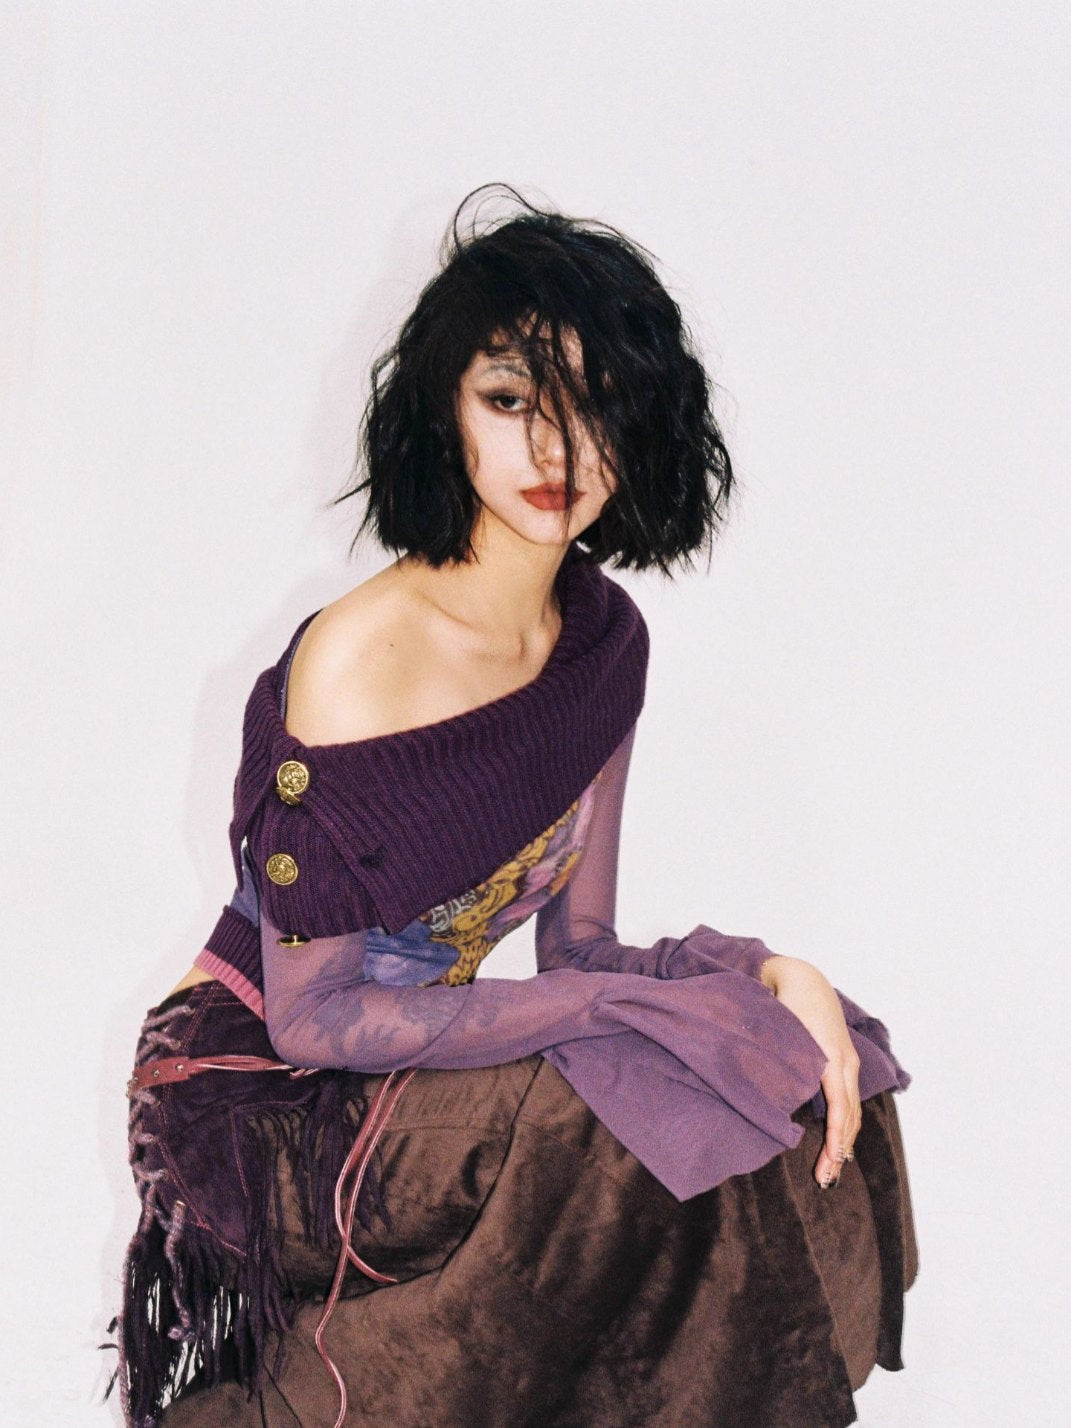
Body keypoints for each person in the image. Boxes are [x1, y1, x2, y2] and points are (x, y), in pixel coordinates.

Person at [106, 183, 918, 1428]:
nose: (556, 453)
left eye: (597, 408)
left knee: (769, 1065)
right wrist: (603, 1013)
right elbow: (318, 1018)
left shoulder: (600, 641)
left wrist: (763, 975)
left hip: (422, 1072)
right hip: (259, 1095)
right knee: (593, 1122)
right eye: (509, 401)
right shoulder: (362, 658)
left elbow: (579, 950)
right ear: (445, 411)